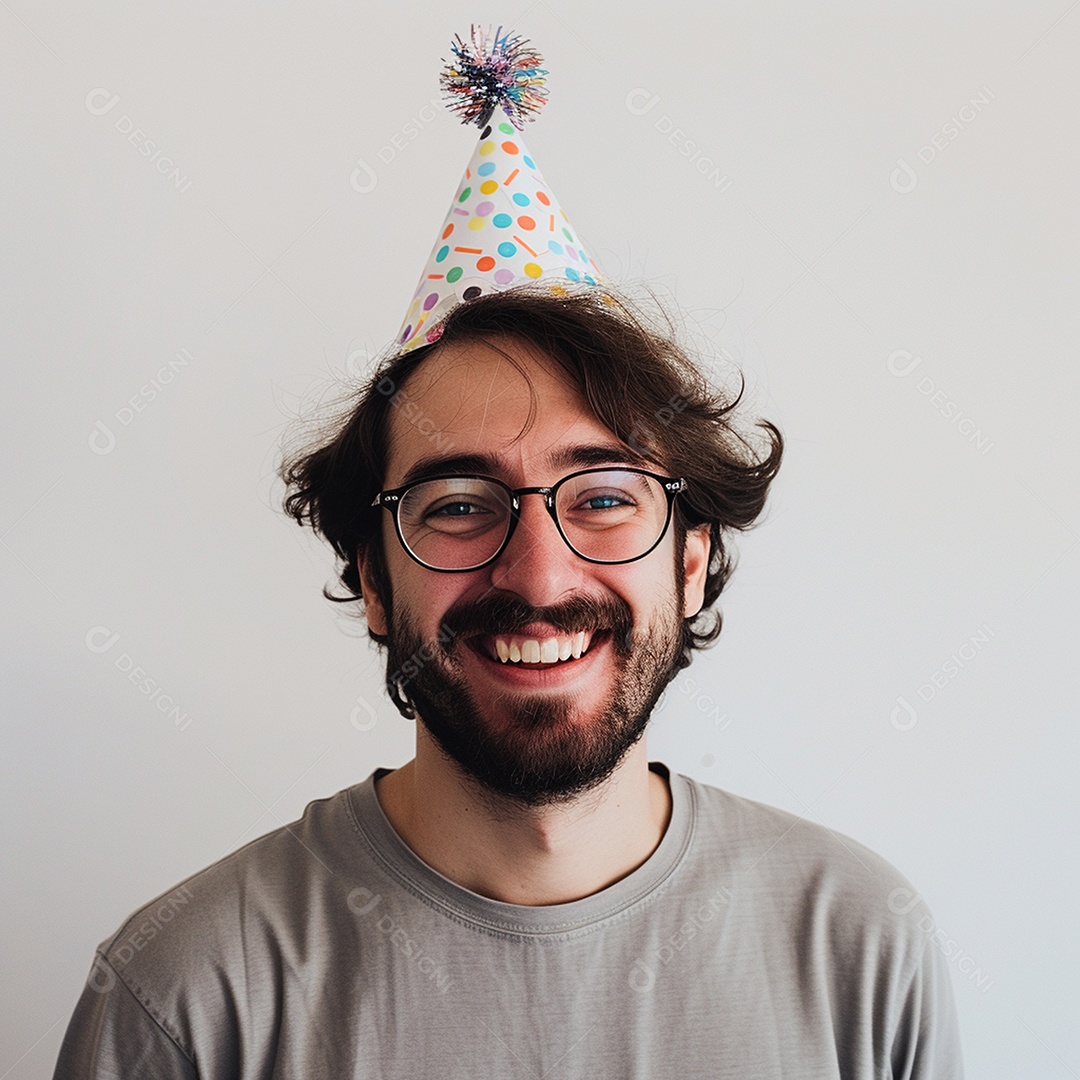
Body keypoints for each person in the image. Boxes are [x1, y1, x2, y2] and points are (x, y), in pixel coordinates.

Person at [54, 29, 964, 1078]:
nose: (538, 576)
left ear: (691, 559)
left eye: (607, 497)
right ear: (373, 581)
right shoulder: (189, 991)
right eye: (456, 505)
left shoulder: (861, 948)